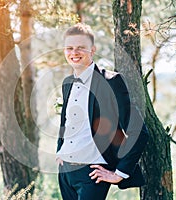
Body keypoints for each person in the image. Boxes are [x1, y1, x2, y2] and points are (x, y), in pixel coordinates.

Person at [56, 23, 149, 200]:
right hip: (65, 172)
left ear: (92, 50)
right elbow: (65, 122)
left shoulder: (112, 82)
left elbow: (139, 132)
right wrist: (60, 151)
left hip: (92, 174)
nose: (74, 52)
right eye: (69, 48)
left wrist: (119, 173)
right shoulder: (67, 83)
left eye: (80, 48)